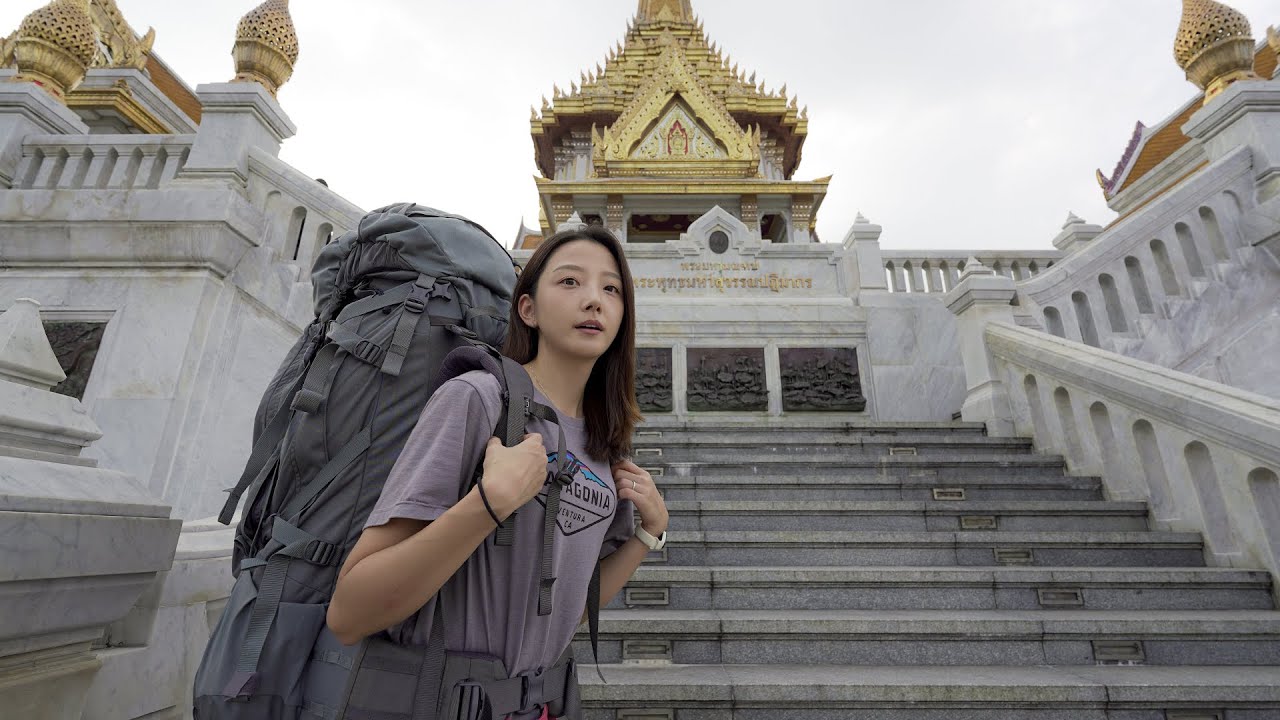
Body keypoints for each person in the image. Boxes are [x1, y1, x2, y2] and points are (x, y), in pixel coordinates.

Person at [325, 225, 669, 720]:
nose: (594, 299)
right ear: (528, 309)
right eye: (570, 281)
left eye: (611, 289)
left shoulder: (604, 445)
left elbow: (565, 610)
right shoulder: (476, 399)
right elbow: (349, 613)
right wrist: (487, 505)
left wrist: (647, 535)